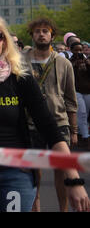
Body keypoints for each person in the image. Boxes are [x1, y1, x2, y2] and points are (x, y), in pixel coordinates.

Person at [0, 14, 89, 212]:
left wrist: (75, 181)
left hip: (17, 172)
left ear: (4, 42)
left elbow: (49, 128)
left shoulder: (21, 79)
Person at [23, 18, 79, 212]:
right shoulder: (21, 61)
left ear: (52, 35)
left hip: (58, 122)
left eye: (45, 31)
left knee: (62, 171)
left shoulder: (64, 63)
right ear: (32, 35)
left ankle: (63, 209)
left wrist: (74, 130)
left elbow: (71, 100)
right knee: (33, 172)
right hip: (30, 123)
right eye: (37, 31)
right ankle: (35, 208)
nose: (41, 34)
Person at [69, 42, 90, 150]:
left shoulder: (87, 60)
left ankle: (82, 134)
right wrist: (74, 66)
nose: (79, 52)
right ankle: (86, 138)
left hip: (87, 90)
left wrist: (87, 64)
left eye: (80, 50)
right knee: (81, 112)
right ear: (71, 50)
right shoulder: (69, 62)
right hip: (76, 91)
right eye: (76, 50)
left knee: (86, 114)